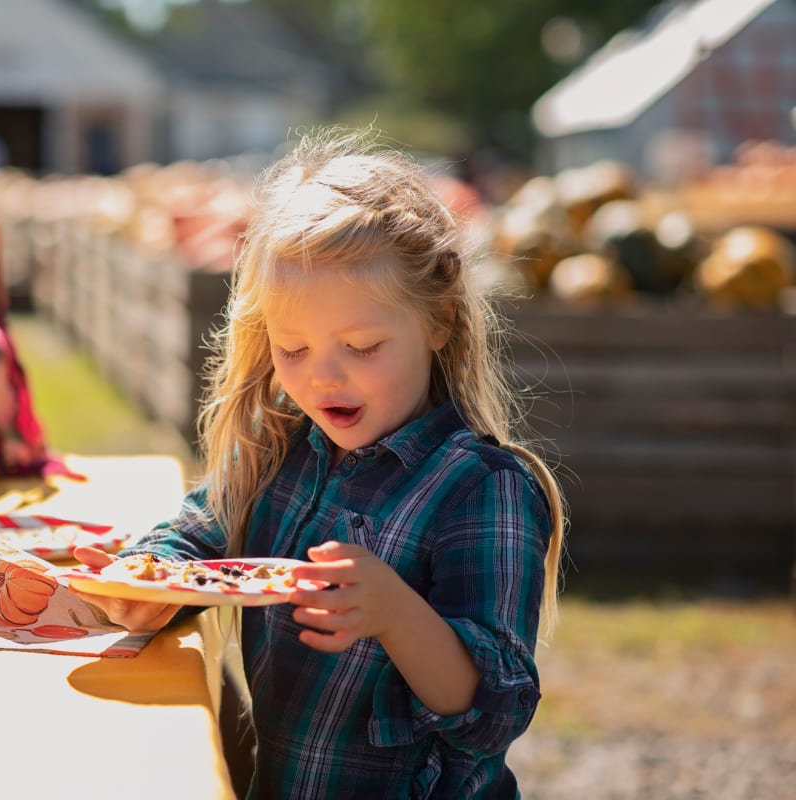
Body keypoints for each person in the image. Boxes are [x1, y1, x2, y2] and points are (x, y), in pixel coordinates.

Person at [72, 127, 566, 798]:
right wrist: (146, 583)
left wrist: (396, 614)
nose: (323, 379)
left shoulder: (481, 488)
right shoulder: (282, 450)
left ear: (440, 322)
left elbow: (496, 709)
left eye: (361, 346)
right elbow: (197, 533)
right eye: (293, 349)